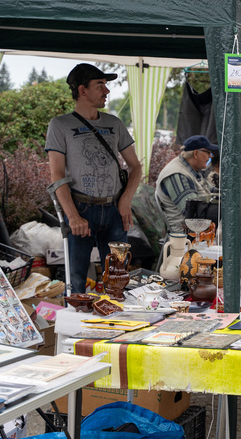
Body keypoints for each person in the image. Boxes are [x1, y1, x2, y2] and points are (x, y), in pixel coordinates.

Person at [46, 63, 142, 294]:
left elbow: (136, 166)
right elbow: (57, 175)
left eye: (106, 86)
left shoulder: (114, 123)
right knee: (77, 282)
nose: (107, 91)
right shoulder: (60, 125)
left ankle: (116, 325)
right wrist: (73, 216)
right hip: (80, 209)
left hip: (115, 210)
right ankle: (76, 328)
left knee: (118, 278)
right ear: (82, 90)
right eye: (100, 85)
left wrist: (126, 200)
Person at [154, 135, 218, 233]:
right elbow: (194, 214)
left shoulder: (194, 170)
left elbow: (213, 191)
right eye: (208, 152)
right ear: (196, 153)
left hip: (199, 231)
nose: (210, 156)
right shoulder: (177, 174)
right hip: (185, 237)